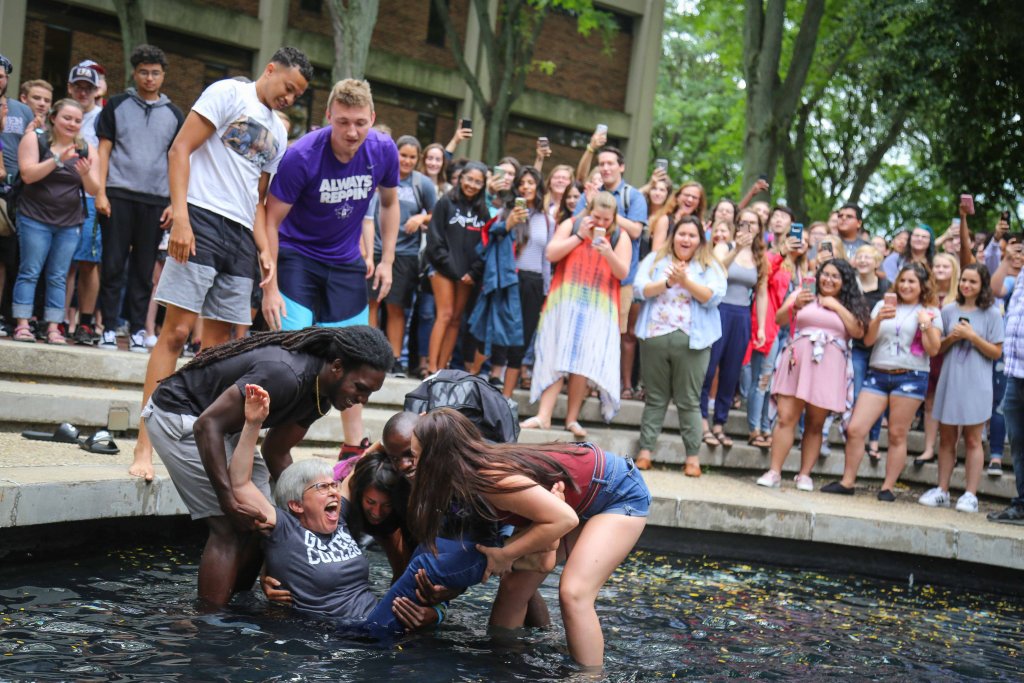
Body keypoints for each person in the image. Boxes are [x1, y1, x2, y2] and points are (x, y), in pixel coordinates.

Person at [131, 47, 312, 482]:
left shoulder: (279, 134)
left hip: (239, 238)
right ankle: (144, 446)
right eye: (287, 87)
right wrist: (181, 216)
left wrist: (264, 249)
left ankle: (195, 442)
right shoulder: (229, 93)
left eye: (298, 95)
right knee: (174, 333)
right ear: (269, 70)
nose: (290, 98)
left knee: (215, 352)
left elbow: (258, 198)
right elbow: (180, 150)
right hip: (201, 218)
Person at [144, 326, 392, 606]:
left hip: (223, 426)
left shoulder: (322, 395)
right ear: (337, 367)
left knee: (263, 522)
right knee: (229, 526)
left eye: (370, 393)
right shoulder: (286, 375)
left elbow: (276, 451)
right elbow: (207, 425)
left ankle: (239, 606)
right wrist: (227, 501)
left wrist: (299, 515)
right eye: (360, 388)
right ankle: (209, 625)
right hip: (181, 416)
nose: (363, 399)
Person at [405, 408, 651, 668]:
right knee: (513, 588)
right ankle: (503, 665)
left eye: (416, 457)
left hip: (619, 493)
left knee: (574, 593)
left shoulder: (489, 479)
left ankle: (589, 677)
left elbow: (563, 520)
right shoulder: (467, 473)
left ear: (437, 459)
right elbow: (544, 557)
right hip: (574, 501)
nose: (412, 466)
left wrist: (506, 554)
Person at [262, 79, 399, 460]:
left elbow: (389, 204)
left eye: (359, 122)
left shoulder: (383, 149)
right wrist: (270, 286)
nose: (352, 132)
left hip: (344, 262)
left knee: (358, 357)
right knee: (297, 355)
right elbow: (271, 220)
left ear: (372, 118)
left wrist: (387, 260)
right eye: (343, 122)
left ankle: (353, 448)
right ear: (328, 118)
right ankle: (274, 439)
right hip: (297, 256)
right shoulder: (302, 155)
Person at [822, 263, 943, 500]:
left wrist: (925, 324)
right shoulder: (882, 304)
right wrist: (878, 319)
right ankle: (848, 482)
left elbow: (934, 349)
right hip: (878, 372)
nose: (906, 286)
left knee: (897, 433)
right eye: (903, 281)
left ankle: (887, 487)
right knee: (855, 429)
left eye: (912, 282)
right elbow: (867, 341)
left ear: (922, 286)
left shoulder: (930, 311)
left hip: (910, 375)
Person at [92, 45, 183, 350]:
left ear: (163, 75)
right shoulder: (116, 105)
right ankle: (107, 326)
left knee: (145, 270)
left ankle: (136, 330)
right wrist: (101, 191)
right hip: (118, 193)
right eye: (143, 72)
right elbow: (103, 150)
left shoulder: (174, 114)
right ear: (135, 73)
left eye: (155, 72)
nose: (149, 78)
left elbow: (177, 160)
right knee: (113, 262)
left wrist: (174, 202)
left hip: (156, 199)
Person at [522, 191, 632, 434]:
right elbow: (551, 254)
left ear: (614, 217)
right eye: (597, 217)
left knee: (583, 361)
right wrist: (579, 237)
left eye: (606, 219)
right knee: (555, 354)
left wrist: (608, 253)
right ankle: (544, 415)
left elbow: (623, 273)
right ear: (589, 210)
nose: (601, 223)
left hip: (598, 307)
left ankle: (572, 418)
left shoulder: (619, 237)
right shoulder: (571, 225)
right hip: (565, 301)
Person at [756, 260, 868, 490]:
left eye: (835, 276)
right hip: (797, 359)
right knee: (786, 417)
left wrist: (835, 306)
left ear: (845, 282)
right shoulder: (802, 294)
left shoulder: (849, 304)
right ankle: (774, 471)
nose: (828, 279)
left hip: (829, 364)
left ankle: (805, 474)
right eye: (824, 274)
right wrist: (794, 305)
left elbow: (858, 332)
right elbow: (779, 319)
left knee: (816, 423)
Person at [633, 215, 727, 475]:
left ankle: (693, 458)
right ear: (673, 236)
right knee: (655, 398)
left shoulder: (710, 266)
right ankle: (645, 452)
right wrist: (667, 283)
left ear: (700, 240)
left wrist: (686, 282)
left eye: (692, 235)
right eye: (681, 234)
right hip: (655, 336)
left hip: (693, 341)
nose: (685, 239)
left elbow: (714, 297)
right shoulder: (655, 260)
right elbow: (639, 289)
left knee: (689, 400)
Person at [10, 99, 99, 344]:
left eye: (77, 120)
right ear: (53, 118)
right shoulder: (36, 140)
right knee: (30, 270)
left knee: (58, 275)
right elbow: (28, 174)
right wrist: (57, 159)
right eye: (66, 118)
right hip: (34, 217)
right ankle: (22, 323)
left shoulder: (86, 148)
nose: (72, 124)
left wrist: (85, 175)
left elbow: (94, 188)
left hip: (69, 222)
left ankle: (53, 327)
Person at [918, 264, 1004, 512]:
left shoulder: (992, 314)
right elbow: (938, 348)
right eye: (964, 280)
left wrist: (972, 337)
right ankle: (942, 489)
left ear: (982, 285)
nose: (966, 285)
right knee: (946, 438)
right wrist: (952, 338)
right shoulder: (948, 310)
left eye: (973, 282)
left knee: (973, 439)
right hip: (950, 378)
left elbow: (996, 352)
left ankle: (970, 494)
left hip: (977, 381)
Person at [700, 209, 767, 449]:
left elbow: (761, 292)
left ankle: (720, 422)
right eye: (743, 223)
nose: (748, 227)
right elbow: (715, 271)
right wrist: (737, 248)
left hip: (742, 315)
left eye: (753, 223)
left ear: (760, 228)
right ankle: (702, 420)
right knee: (709, 368)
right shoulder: (724, 246)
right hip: (720, 310)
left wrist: (760, 327)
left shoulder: (761, 256)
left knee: (731, 372)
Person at [365, 134, 431, 374]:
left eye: (413, 157)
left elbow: (437, 214)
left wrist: (422, 217)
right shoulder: (379, 173)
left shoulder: (422, 184)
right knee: (372, 302)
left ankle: (394, 357)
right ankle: (371, 354)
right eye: (403, 155)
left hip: (405, 253)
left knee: (396, 307)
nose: (407, 160)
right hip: (374, 249)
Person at [747, 230, 810, 448]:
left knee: (774, 382)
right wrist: (781, 253)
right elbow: (763, 280)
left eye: (805, 241)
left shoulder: (805, 270)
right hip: (773, 324)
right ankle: (755, 428)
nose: (800, 243)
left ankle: (766, 426)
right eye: (797, 239)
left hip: (792, 331)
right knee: (762, 378)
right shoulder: (775, 259)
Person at [425, 161, 488, 373]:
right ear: (461, 179)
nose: (472, 184)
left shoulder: (483, 210)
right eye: (469, 179)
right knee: (444, 314)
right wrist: (453, 269)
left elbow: (486, 245)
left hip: (467, 275)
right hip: (443, 269)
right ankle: (432, 369)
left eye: (478, 182)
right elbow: (434, 239)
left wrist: (472, 272)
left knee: (455, 320)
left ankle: (443, 368)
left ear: (483, 185)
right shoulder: (445, 202)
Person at [63, 62, 104, 345]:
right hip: (60, 196)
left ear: (95, 90)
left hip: (90, 196)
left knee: (89, 262)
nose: (82, 92)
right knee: (63, 262)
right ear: (70, 87)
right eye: (78, 86)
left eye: (87, 88)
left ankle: (86, 322)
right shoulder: (62, 114)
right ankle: (61, 319)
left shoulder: (103, 117)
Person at [988, 239, 1024, 523]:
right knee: (1019, 442)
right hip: (1015, 373)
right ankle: (1021, 504)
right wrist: (1006, 260)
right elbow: (995, 290)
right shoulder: (1019, 275)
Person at [914, 252, 960, 465]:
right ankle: (928, 448)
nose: (940, 270)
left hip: (952, 356)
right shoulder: (926, 298)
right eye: (937, 266)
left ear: (954, 270)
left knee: (952, 403)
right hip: (931, 355)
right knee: (930, 401)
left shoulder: (959, 298)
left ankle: (952, 448)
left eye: (945, 267)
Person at [851, 245, 891, 462]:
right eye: (860, 256)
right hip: (856, 346)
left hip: (879, 348)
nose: (864, 260)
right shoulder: (850, 285)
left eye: (869, 257)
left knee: (876, 397)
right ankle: (856, 436)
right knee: (858, 393)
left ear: (877, 263)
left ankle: (874, 440)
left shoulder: (887, 287)